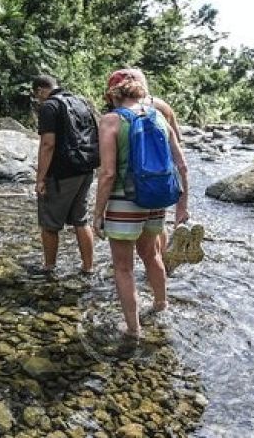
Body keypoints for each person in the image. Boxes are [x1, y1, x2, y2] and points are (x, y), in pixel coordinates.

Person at [92, 71, 190, 338]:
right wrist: (182, 206)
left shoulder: (111, 121)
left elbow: (108, 173)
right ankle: (161, 305)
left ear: (113, 95)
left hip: (124, 201)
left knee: (123, 267)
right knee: (152, 255)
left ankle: (133, 329)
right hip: (156, 198)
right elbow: (182, 165)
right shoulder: (159, 117)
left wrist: (98, 213)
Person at [113, 69, 198, 273]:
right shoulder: (161, 106)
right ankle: (161, 261)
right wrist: (182, 203)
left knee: (137, 233)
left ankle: (152, 261)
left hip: (136, 176)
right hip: (163, 172)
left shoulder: (121, 113)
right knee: (157, 222)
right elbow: (177, 138)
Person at [32, 75, 96, 275]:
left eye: (37, 95)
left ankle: (49, 267)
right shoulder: (80, 101)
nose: (38, 99)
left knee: (49, 223)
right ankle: (88, 267)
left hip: (62, 172)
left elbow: (48, 144)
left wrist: (40, 178)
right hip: (85, 168)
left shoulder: (49, 106)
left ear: (41, 90)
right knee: (80, 220)